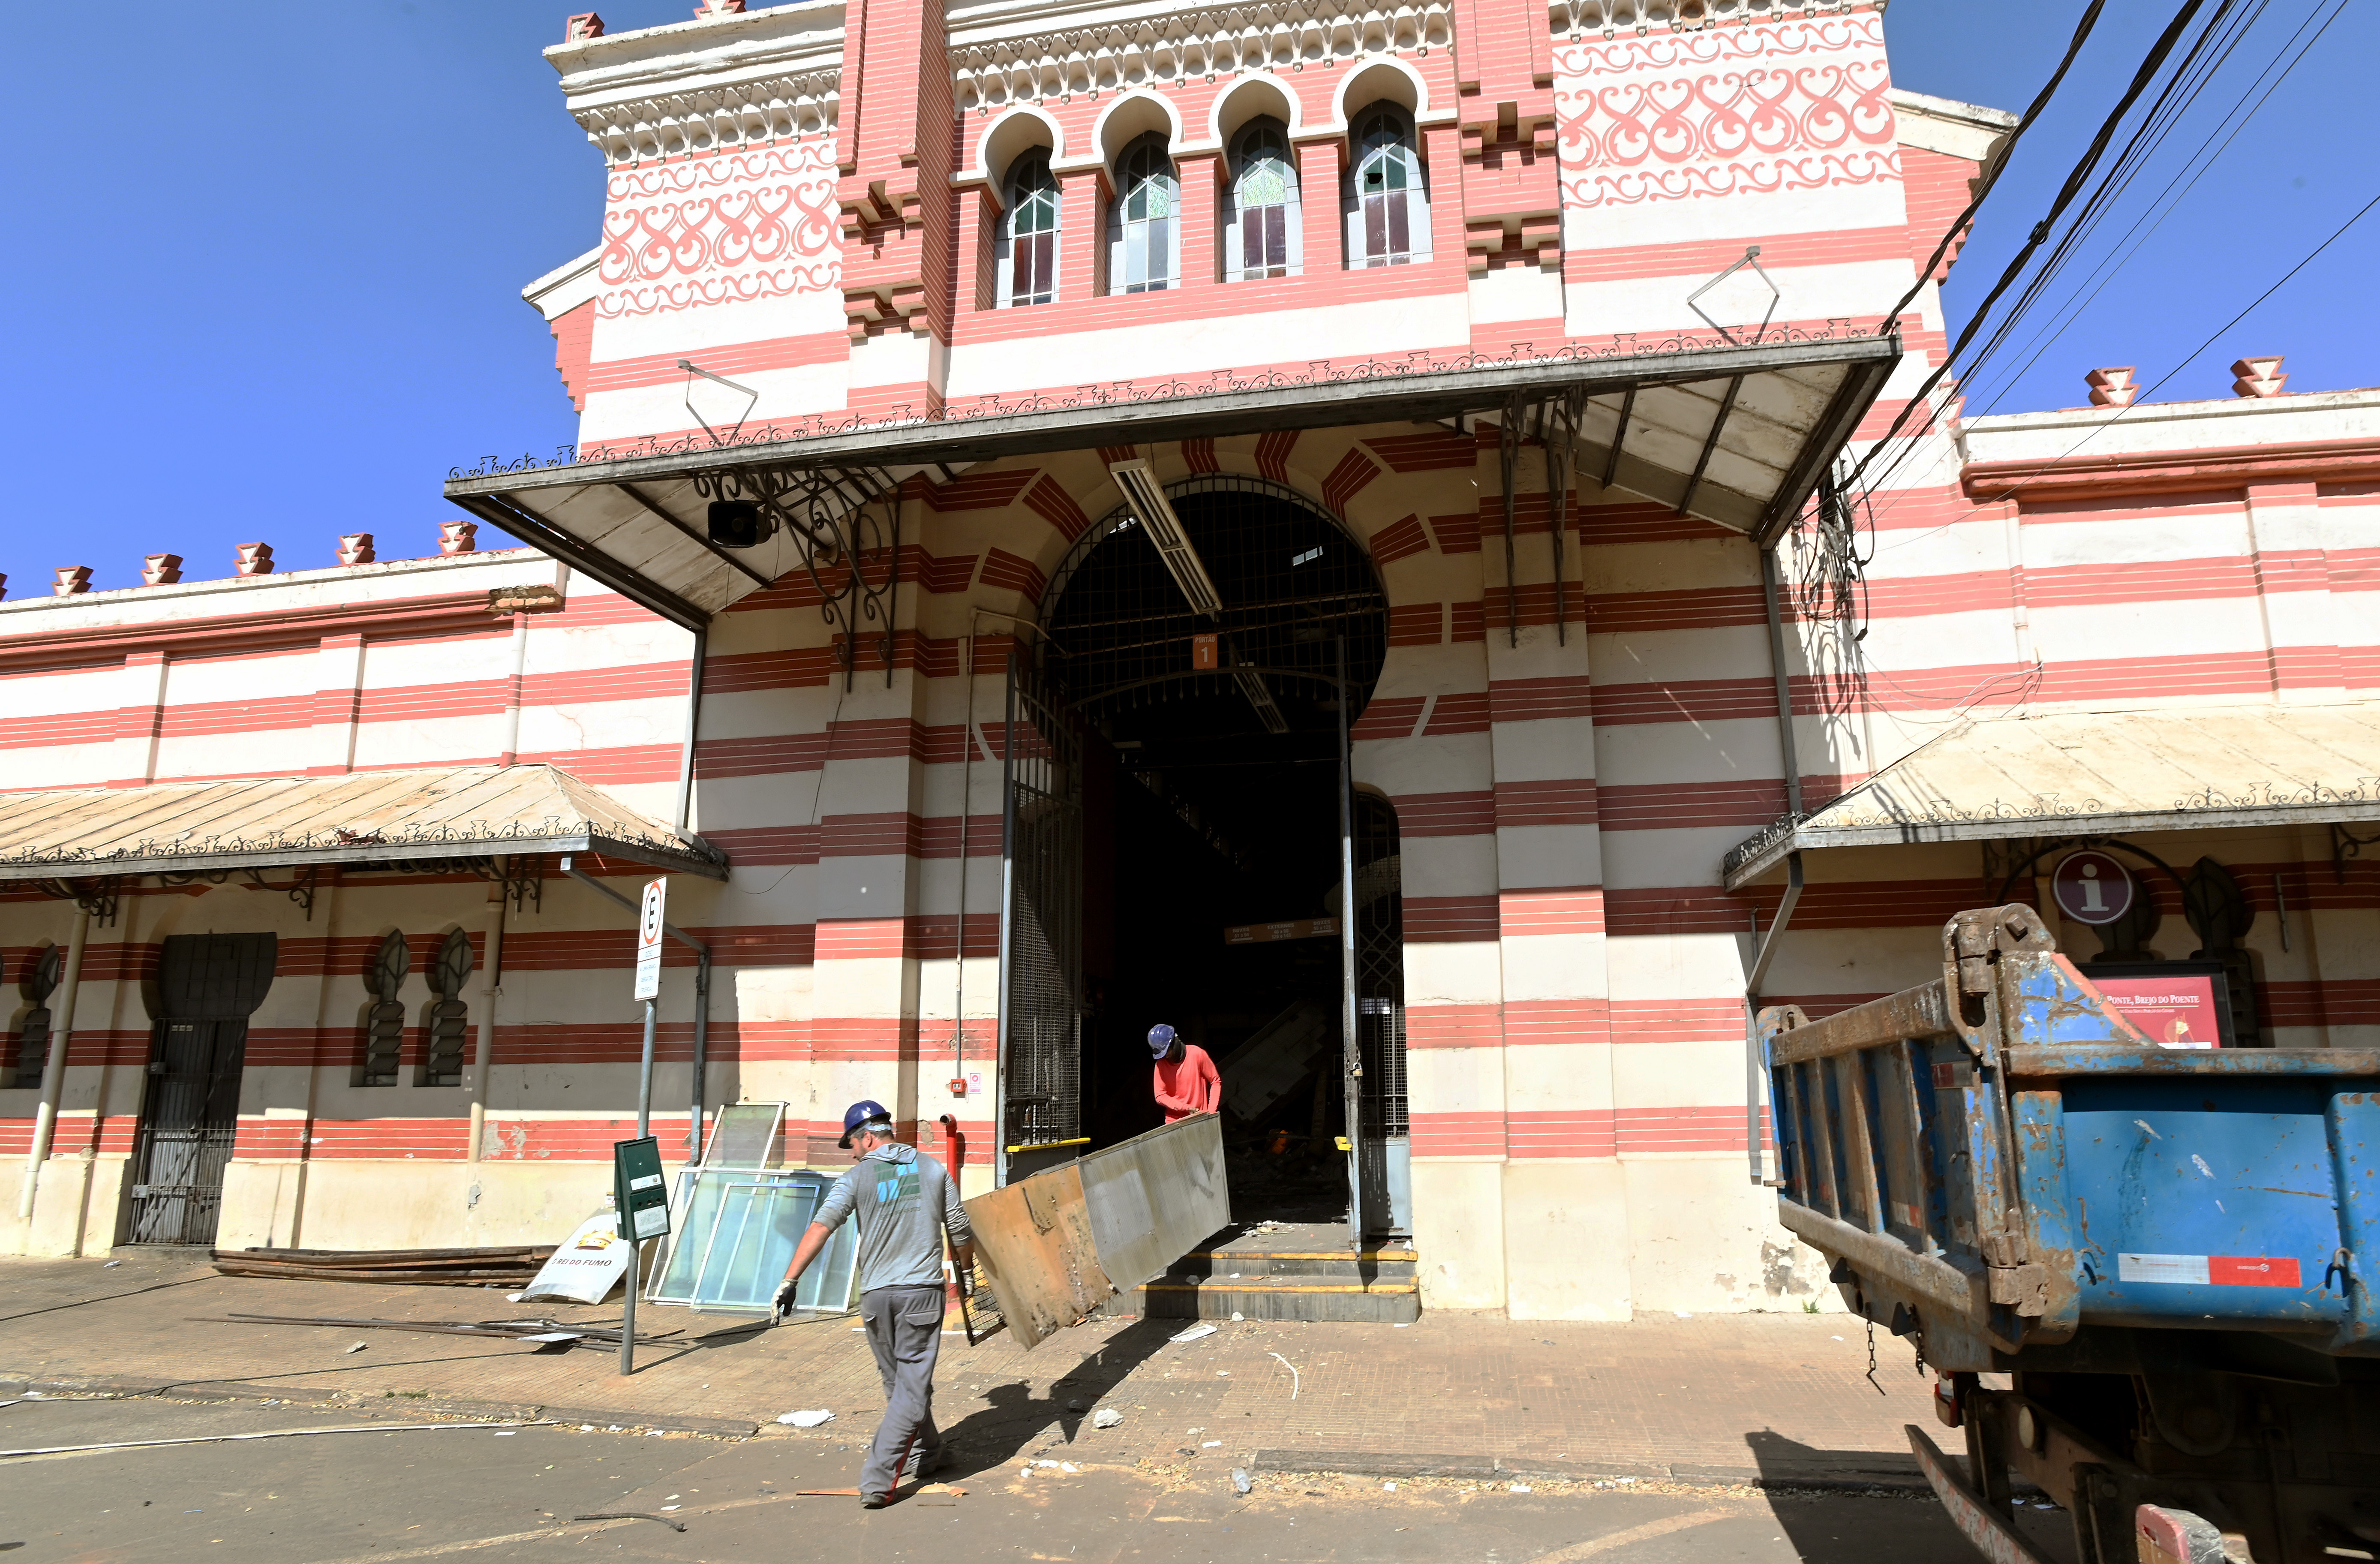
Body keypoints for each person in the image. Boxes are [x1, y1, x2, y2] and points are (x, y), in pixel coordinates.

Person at [773, 1099, 974, 1508]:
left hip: (877, 1297)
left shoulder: (855, 1178)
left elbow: (821, 1226)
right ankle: (878, 1480)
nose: (853, 1152)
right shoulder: (934, 1169)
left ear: (868, 1137)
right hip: (920, 1293)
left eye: (853, 1144)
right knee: (910, 1388)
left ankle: (930, 1453)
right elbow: (960, 1227)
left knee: (901, 1384)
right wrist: (966, 1273)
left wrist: (789, 1280)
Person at [1149, 1023, 1220, 1122]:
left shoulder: (1197, 1054)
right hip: (1174, 1121)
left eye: (1168, 1051)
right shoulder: (1161, 1065)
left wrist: (1212, 1112)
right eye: (1162, 1054)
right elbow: (1160, 1096)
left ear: (1175, 1043)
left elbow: (1215, 1081)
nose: (1166, 1056)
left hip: (1201, 1117)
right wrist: (1185, 1107)